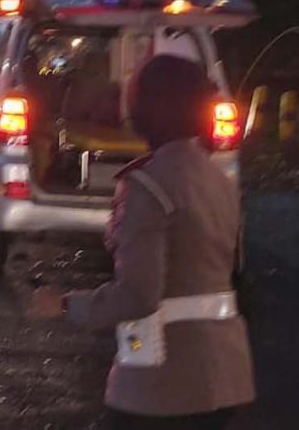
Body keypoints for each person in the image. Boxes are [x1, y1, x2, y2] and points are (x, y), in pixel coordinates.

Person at [30, 55, 254, 429]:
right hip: (227, 374)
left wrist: (66, 305)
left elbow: (138, 295)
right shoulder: (219, 181)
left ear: (146, 109)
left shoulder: (148, 187)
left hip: (163, 384)